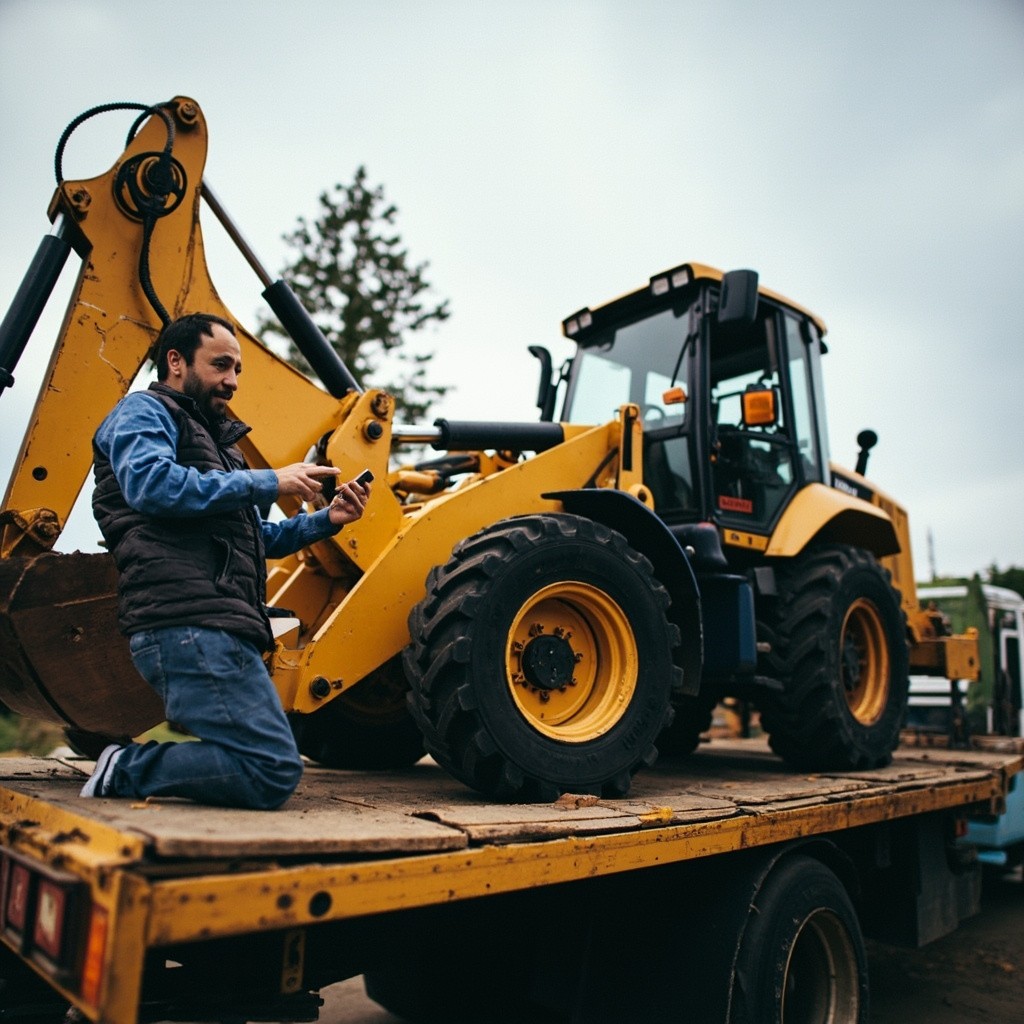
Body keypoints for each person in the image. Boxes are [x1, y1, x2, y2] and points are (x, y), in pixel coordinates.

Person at [82, 312, 370, 809]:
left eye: (237, 369)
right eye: (220, 365)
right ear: (175, 361)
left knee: (265, 762)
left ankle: (139, 759)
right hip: (189, 623)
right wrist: (269, 481)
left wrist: (329, 520)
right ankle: (126, 768)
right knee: (271, 768)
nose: (232, 381)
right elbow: (151, 486)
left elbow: (258, 538)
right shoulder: (143, 413)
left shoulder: (220, 447)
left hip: (217, 623)